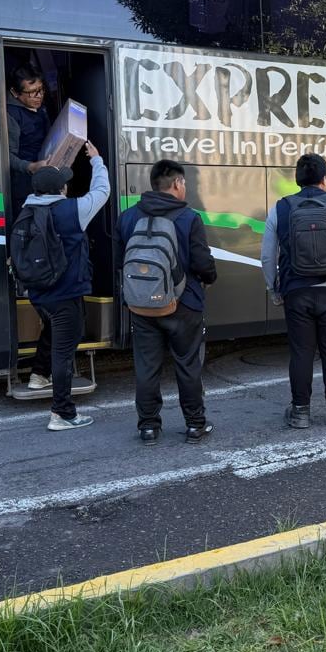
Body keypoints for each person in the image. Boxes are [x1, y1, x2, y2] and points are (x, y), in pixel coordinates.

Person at [118, 160, 218, 445]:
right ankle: (195, 425)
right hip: (184, 305)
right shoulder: (189, 218)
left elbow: (118, 263)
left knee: (147, 366)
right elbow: (202, 263)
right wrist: (209, 277)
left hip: (141, 306)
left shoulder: (127, 217)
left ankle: (149, 426)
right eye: (184, 183)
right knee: (188, 364)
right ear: (176, 184)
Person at [262, 154, 326, 429]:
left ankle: (300, 413)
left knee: (301, 352)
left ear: (297, 180)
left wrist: (274, 288)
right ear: (325, 179)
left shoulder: (280, 208)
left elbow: (268, 256)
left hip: (297, 291)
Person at [23, 144, 111, 430]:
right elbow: (102, 191)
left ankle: (38, 375)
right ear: (60, 190)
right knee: (64, 351)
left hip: (39, 294)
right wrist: (97, 161)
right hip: (67, 293)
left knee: (54, 330)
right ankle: (62, 413)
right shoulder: (72, 210)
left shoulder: (26, 212)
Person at [7, 66, 50, 219]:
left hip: (42, 178)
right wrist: (30, 167)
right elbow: (7, 156)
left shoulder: (38, 107)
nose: (39, 96)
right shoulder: (10, 116)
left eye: (41, 89)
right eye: (32, 92)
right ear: (14, 93)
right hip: (23, 185)